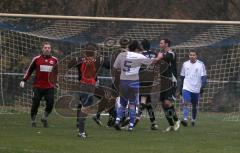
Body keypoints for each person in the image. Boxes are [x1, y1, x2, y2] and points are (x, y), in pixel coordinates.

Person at [113, 40, 161, 131]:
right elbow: (152, 62)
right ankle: (131, 125)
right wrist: (159, 57)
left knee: (122, 103)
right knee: (132, 103)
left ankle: (117, 120)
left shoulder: (121, 55)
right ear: (136, 48)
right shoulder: (139, 56)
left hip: (123, 81)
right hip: (134, 82)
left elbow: (115, 67)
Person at [19, 42, 58, 128]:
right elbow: (29, 70)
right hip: (38, 86)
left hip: (49, 87)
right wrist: (24, 80)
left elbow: (56, 73)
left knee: (51, 103)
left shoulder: (54, 60)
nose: (47, 49)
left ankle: (44, 118)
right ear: (42, 49)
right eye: (45, 47)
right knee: (35, 104)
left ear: (50, 49)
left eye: (49, 47)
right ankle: (33, 121)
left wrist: (56, 82)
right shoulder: (36, 59)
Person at [68, 43, 102, 138]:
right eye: (95, 52)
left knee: (85, 107)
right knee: (85, 108)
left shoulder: (83, 60)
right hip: (88, 86)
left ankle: (81, 130)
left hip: (83, 85)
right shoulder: (91, 62)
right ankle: (81, 131)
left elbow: (71, 63)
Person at [135, 39, 158, 130]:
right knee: (148, 101)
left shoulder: (140, 55)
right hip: (151, 78)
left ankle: (137, 116)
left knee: (143, 99)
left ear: (142, 46)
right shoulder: (154, 54)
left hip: (142, 78)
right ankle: (154, 123)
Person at [179, 50, 207, 127]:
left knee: (194, 105)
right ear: (189, 56)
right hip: (186, 87)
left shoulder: (201, 64)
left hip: (196, 88)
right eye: (190, 55)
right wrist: (180, 87)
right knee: (186, 102)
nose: (192, 56)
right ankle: (185, 119)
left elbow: (204, 77)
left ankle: (193, 119)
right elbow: (182, 76)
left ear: (196, 56)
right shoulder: (185, 64)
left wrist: (203, 86)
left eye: (193, 55)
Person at [158, 38, 180, 132]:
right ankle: (171, 125)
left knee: (167, 102)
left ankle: (176, 120)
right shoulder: (161, 54)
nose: (160, 44)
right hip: (162, 81)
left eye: (161, 43)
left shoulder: (171, 53)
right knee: (163, 104)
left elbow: (169, 58)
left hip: (171, 80)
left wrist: (160, 56)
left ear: (166, 44)